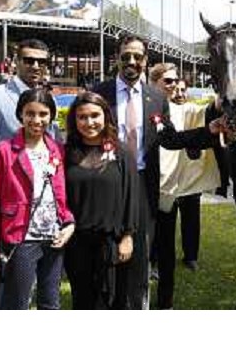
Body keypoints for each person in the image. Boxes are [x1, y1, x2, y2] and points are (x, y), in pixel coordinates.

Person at [94, 34, 220, 309]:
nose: (131, 61)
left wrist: (207, 132)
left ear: (145, 61)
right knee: (107, 261)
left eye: (137, 57)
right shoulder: (98, 94)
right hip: (108, 183)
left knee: (139, 259)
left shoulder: (156, 98)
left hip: (143, 185)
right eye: (126, 55)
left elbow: (171, 139)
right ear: (117, 57)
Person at [0, 38, 52, 309]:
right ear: (15, 62)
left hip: (41, 214)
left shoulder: (45, 98)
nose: (36, 66)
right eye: (29, 60)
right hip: (5, 213)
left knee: (30, 286)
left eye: (42, 61)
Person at [0, 89, 75, 310]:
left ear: (51, 115)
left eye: (43, 114)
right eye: (30, 113)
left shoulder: (58, 150)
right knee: (16, 304)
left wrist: (68, 222)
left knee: (50, 303)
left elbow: (61, 196)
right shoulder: (4, 151)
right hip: (21, 239)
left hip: (54, 238)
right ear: (20, 114)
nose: (37, 120)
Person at [150, 66, 220, 309]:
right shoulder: (154, 108)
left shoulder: (186, 109)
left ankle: (186, 262)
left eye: (179, 85)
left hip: (187, 181)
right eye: (169, 82)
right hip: (156, 183)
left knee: (188, 221)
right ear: (154, 82)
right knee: (158, 233)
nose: (175, 89)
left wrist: (221, 98)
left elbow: (203, 115)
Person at [63, 92, 140, 309]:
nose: (89, 123)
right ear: (74, 120)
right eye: (82, 117)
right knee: (82, 299)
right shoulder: (65, 153)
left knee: (111, 301)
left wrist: (127, 236)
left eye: (95, 115)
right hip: (76, 243)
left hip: (111, 242)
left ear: (106, 116)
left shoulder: (121, 152)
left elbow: (131, 196)